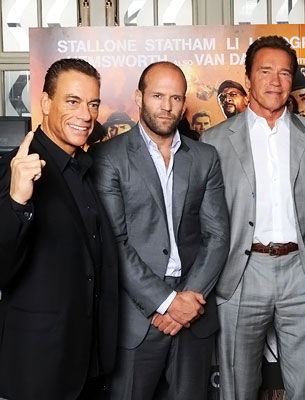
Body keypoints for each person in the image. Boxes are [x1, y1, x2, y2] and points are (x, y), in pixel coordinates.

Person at [202, 35, 305, 400]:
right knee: (236, 389)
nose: (275, 81)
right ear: (248, 77)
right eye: (265, 71)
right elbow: (204, 217)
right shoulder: (214, 141)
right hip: (240, 275)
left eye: (284, 73)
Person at [90, 61, 229, 399]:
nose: (167, 106)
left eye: (176, 98)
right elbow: (115, 242)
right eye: (157, 96)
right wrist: (165, 302)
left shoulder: (205, 157)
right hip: (138, 316)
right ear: (139, 97)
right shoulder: (108, 157)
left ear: (184, 103)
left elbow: (217, 235)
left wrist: (186, 303)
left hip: (194, 312)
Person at [0, 58, 118, 399]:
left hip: (85, 366)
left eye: (92, 103)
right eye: (72, 101)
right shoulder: (15, 168)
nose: (86, 114)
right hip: (38, 368)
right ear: (46, 102)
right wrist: (17, 202)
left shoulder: (83, 167)